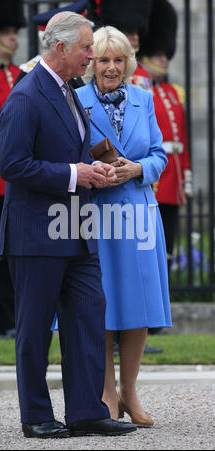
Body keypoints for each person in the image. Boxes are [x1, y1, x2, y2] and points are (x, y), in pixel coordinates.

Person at [0, 11, 136, 439]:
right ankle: (36, 416)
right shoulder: (25, 96)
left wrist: (93, 169)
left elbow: (64, 150)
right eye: (86, 48)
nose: (92, 57)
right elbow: (12, 164)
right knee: (35, 330)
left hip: (77, 230)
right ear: (60, 49)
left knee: (87, 319)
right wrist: (76, 174)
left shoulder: (67, 90)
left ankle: (86, 411)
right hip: (37, 234)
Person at [76, 26, 172, 425]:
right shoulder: (75, 99)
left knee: (138, 305)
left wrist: (137, 169)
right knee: (101, 305)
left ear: (128, 64)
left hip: (139, 213)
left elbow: (158, 155)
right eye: (103, 60)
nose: (111, 67)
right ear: (91, 64)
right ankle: (107, 394)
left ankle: (131, 393)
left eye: (118, 60)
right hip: (96, 213)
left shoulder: (144, 99)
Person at [136, 0, 192, 275]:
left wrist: (187, 178)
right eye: (157, 53)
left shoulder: (172, 92)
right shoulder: (140, 88)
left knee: (168, 248)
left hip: (174, 180)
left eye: (165, 53)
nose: (164, 59)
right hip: (156, 178)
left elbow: (183, 143)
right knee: (149, 248)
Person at [0, 0, 25, 339]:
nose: (13, 39)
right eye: (7, 32)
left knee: (12, 247)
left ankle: (13, 317)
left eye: (15, 32)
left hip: (13, 172)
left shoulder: (16, 74)